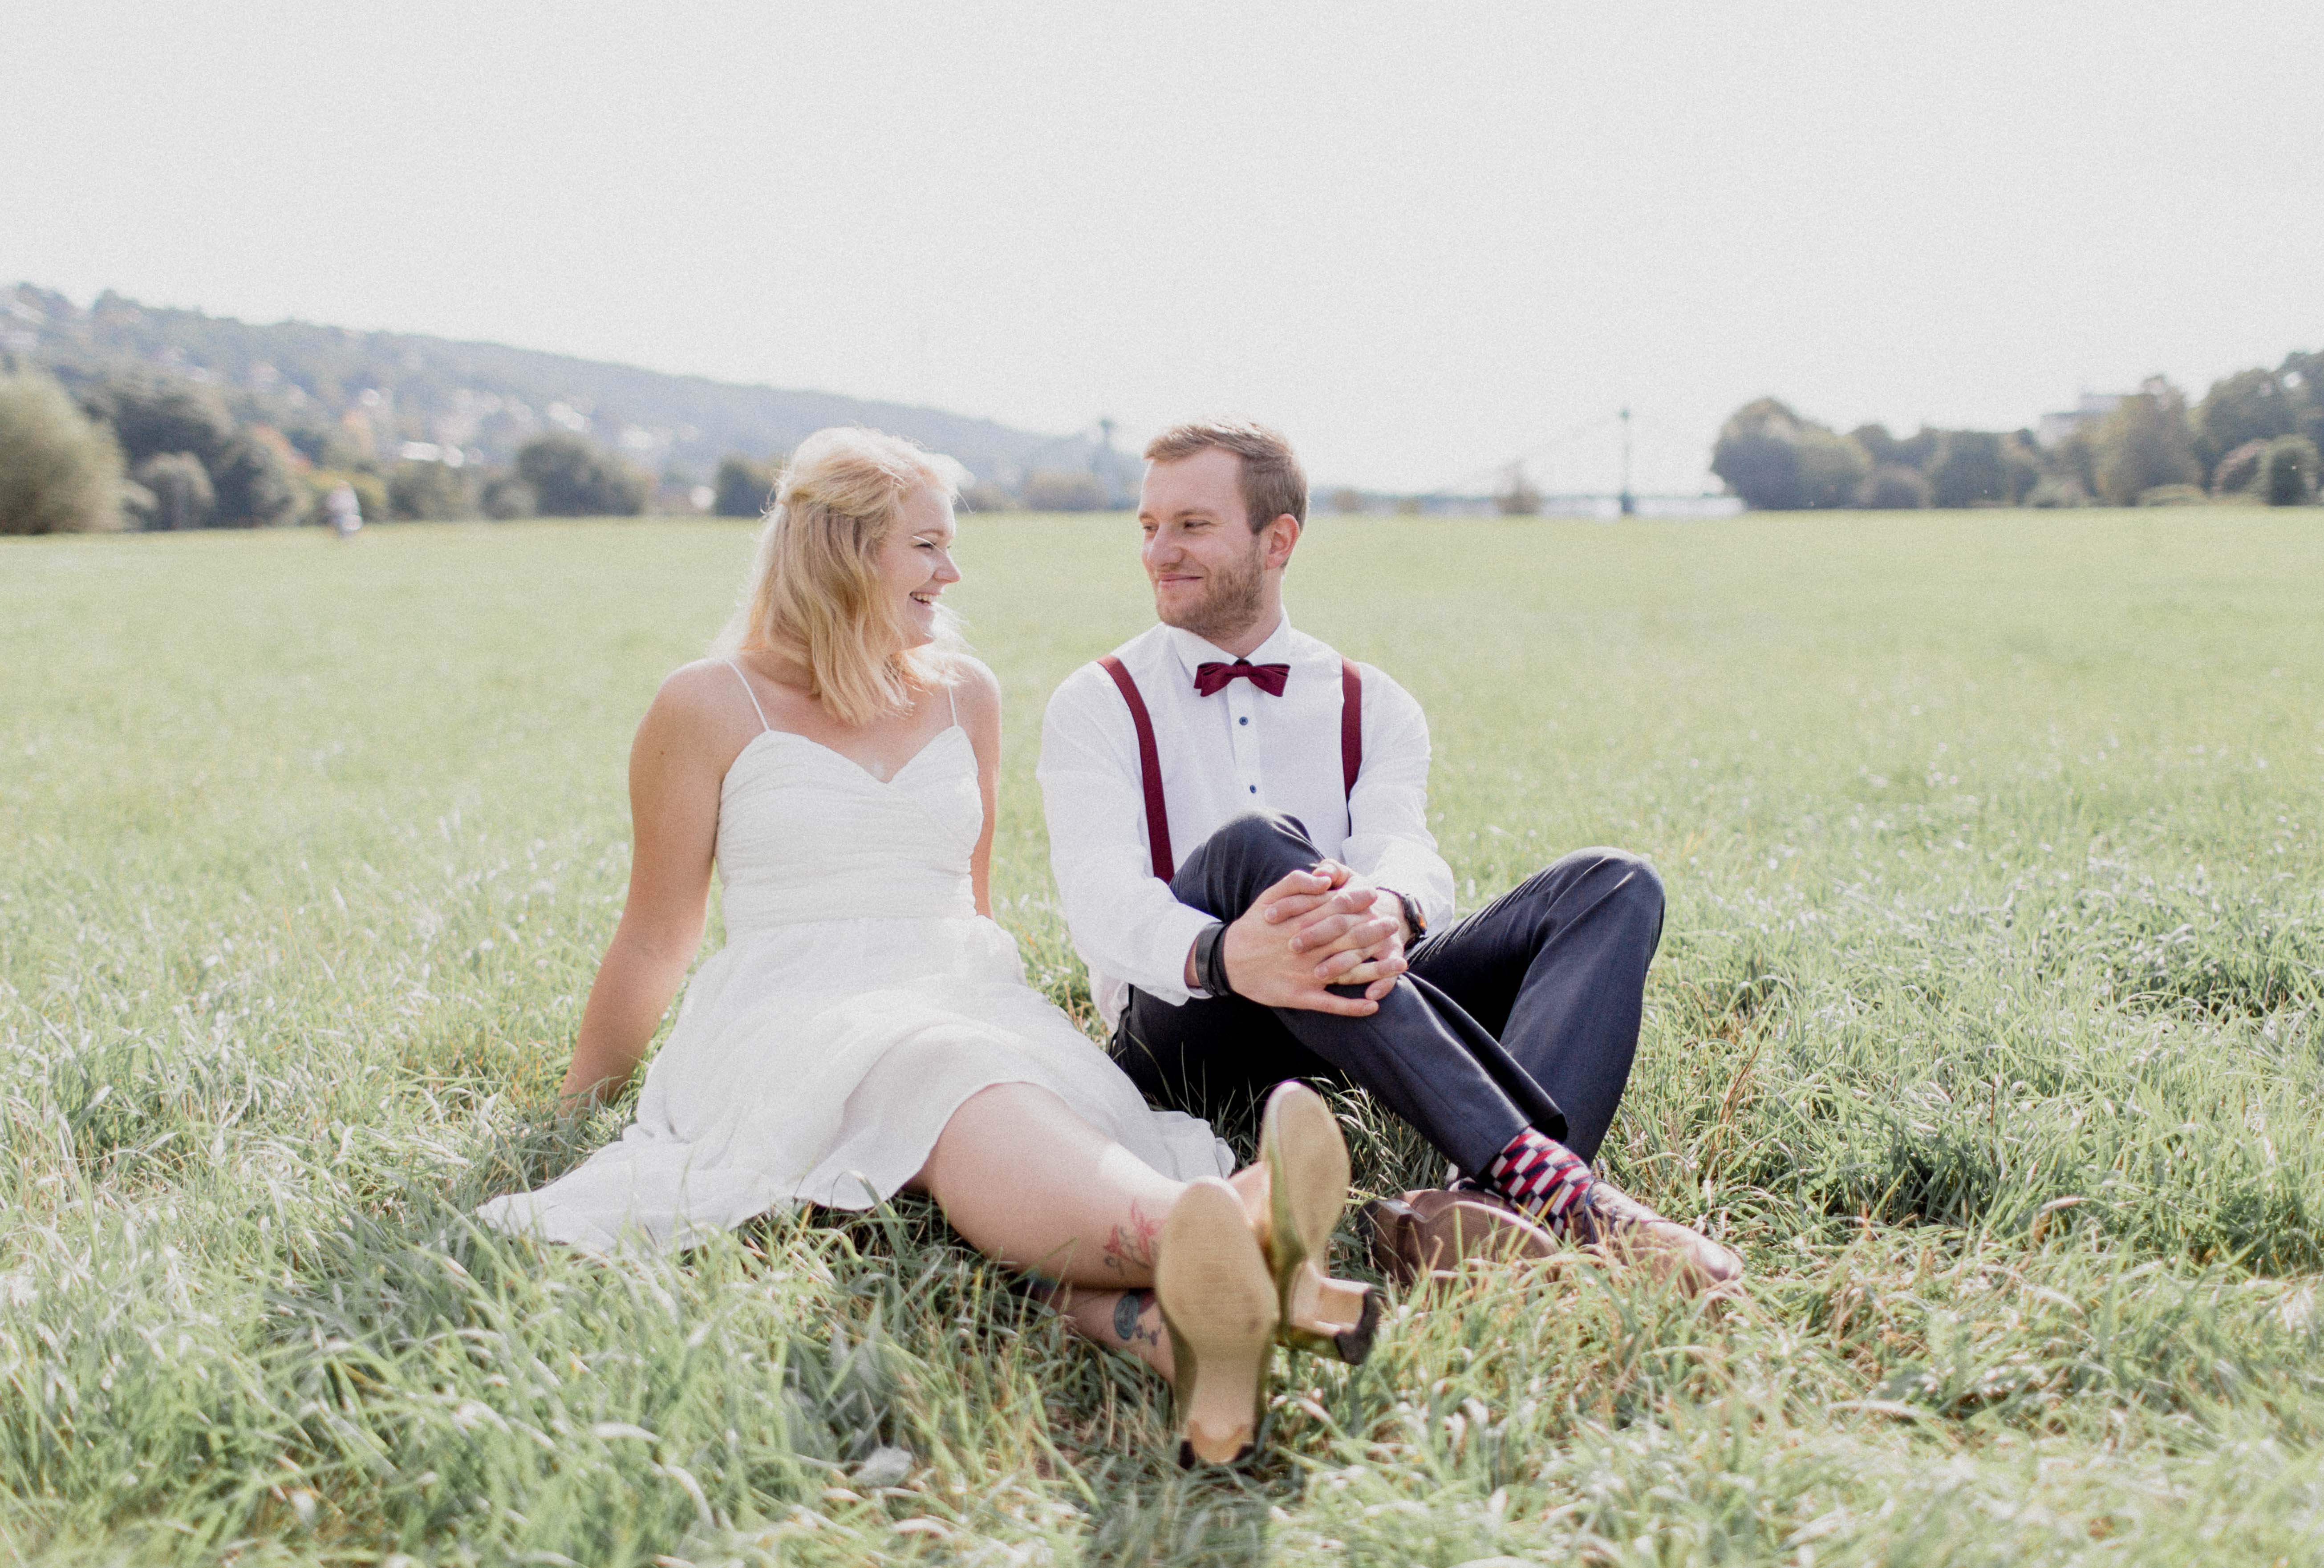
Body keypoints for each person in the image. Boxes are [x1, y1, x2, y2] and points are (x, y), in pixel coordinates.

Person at [475, 426, 1374, 1465]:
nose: (954, 572)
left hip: (959, 989)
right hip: (786, 1014)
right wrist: (580, 1103)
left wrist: (1039, 1024)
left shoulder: (965, 691)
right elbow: (654, 936)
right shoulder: (707, 704)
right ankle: (1216, 1231)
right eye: (929, 546)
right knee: (936, 1066)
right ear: (844, 548)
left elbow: (975, 908)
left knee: (975, 1066)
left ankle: (1183, 1326)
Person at [1036, 419, 1741, 1292]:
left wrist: (1393, 907)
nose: (1158, 551)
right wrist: (1224, 953)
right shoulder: (1098, 702)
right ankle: (1556, 1186)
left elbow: (1404, 846)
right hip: (1189, 1029)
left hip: (1355, 1004)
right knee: (1255, 846)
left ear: (1277, 539)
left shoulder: (1374, 702)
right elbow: (1100, 902)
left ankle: (1480, 1211)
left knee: (1615, 882)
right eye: (1149, 527)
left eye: (1191, 525)